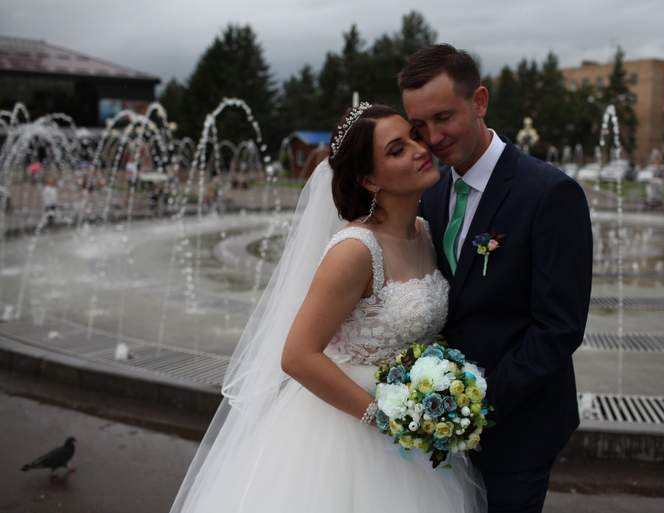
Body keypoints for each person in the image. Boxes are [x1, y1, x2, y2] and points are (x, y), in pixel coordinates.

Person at [170, 103, 486, 513]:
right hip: (349, 433)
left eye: (413, 136)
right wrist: (385, 417)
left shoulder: (425, 232)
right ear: (369, 179)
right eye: (397, 149)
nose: (419, 149)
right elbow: (297, 355)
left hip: (418, 426)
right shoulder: (355, 250)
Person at [399, 44, 593, 513]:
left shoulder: (550, 193)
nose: (432, 138)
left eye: (443, 117)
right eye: (419, 126)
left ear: (479, 101)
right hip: (437, 427)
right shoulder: (431, 191)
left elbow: (559, 328)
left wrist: (475, 405)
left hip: (518, 428)